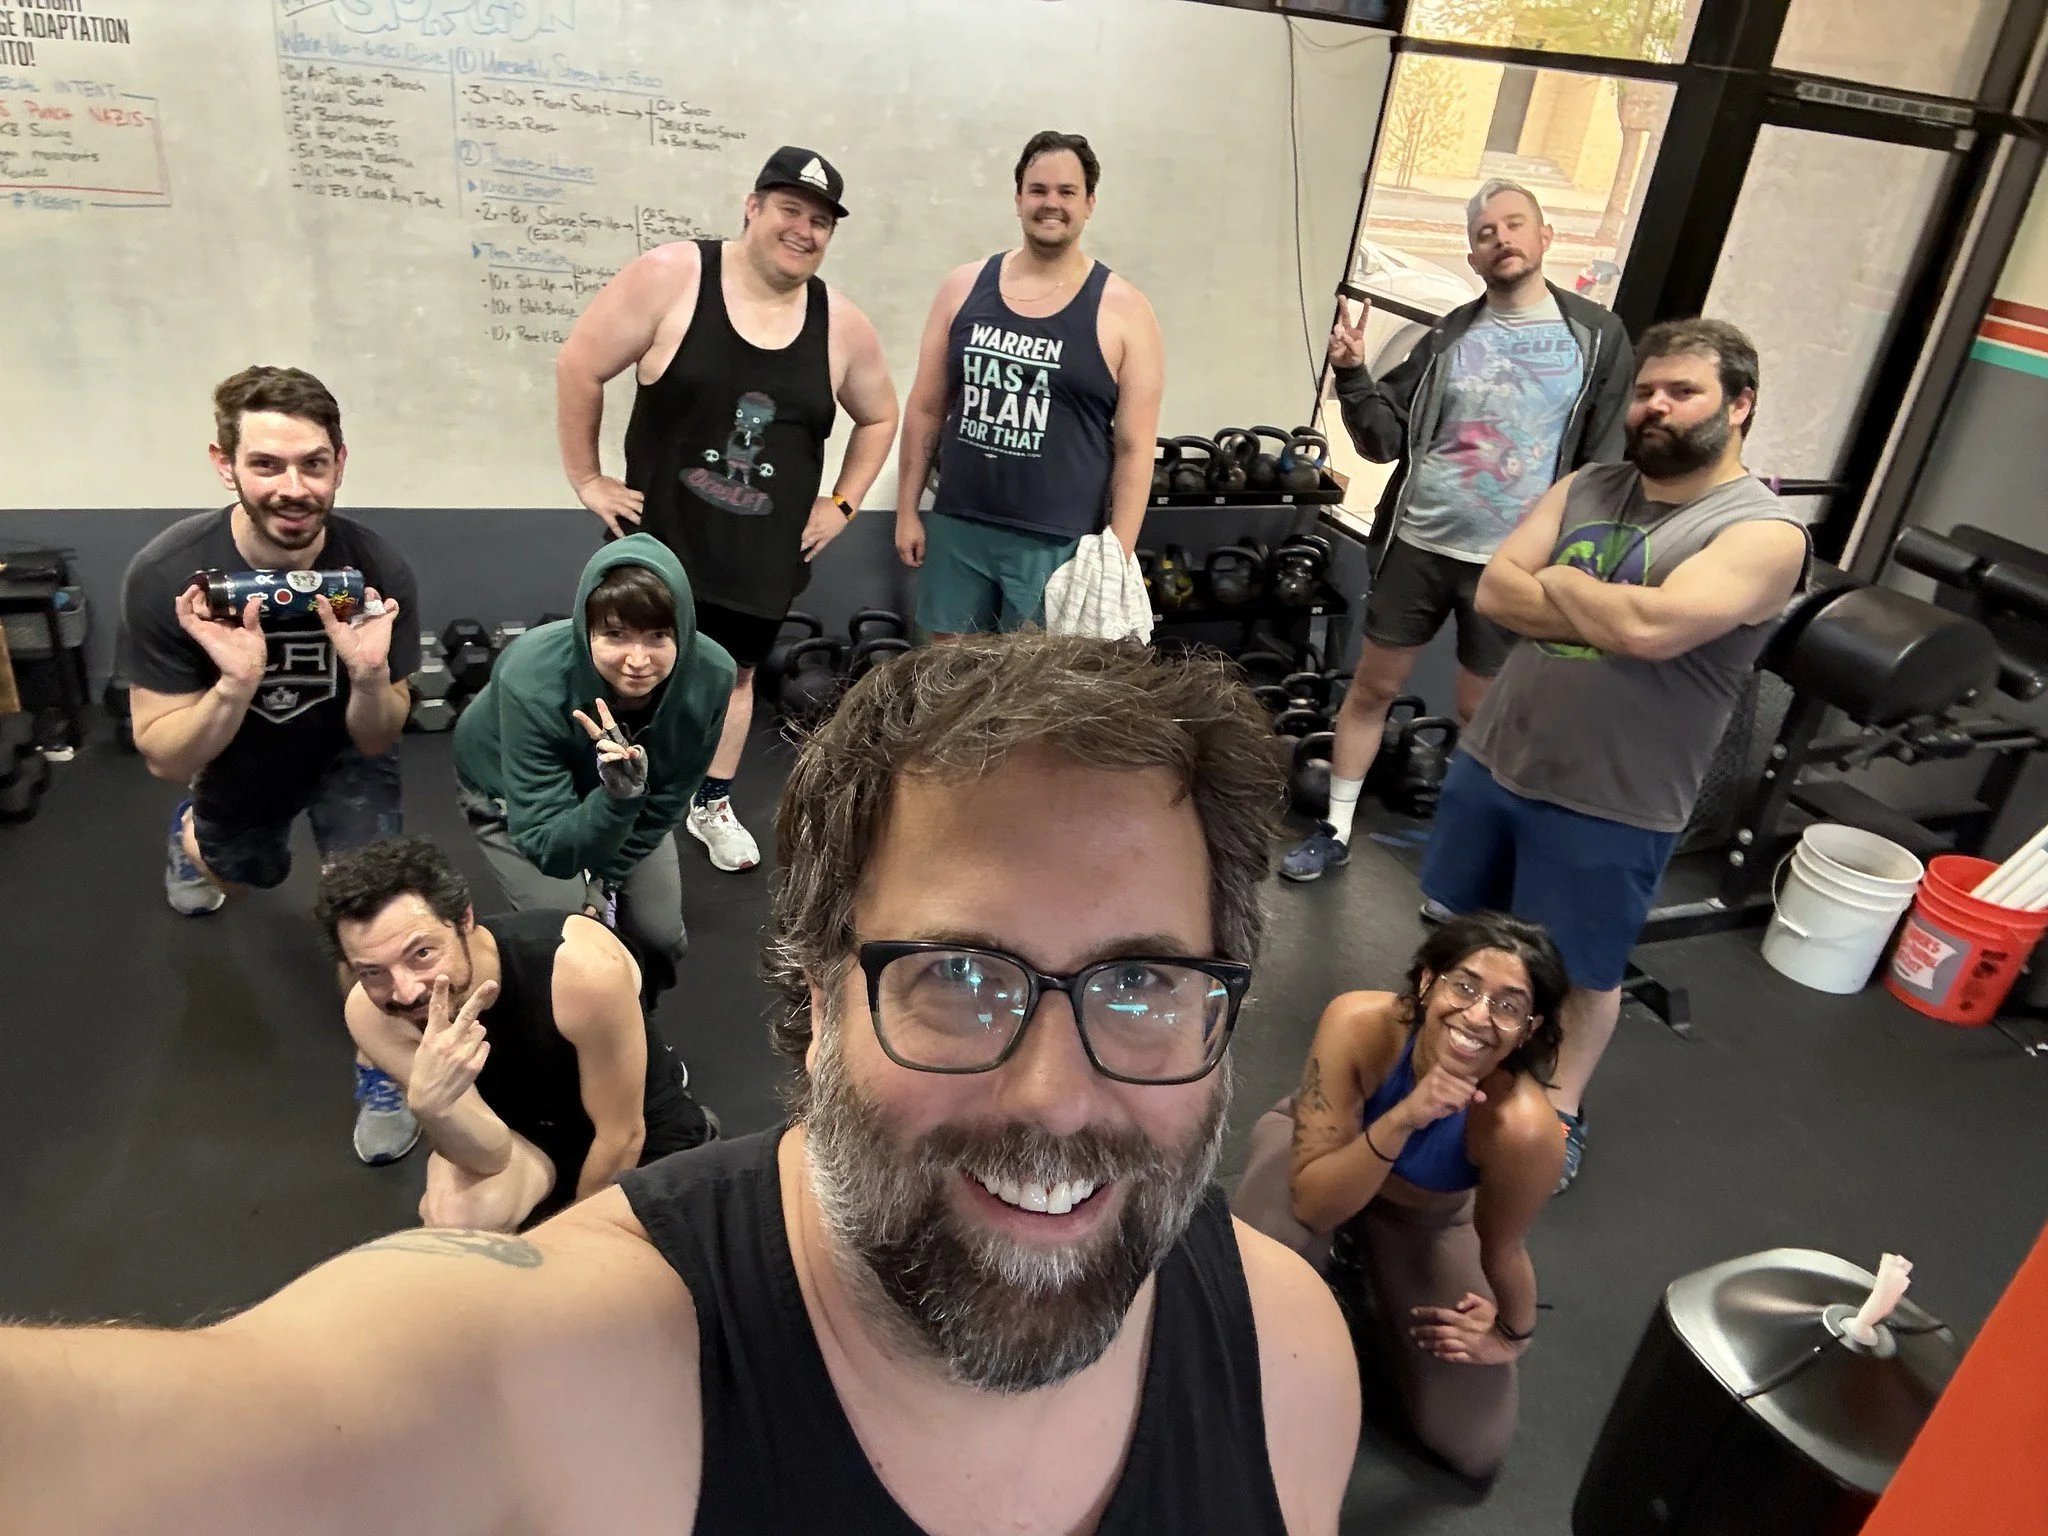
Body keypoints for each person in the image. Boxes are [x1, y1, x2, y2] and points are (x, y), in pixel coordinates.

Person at [0, 634, 1360, 1535]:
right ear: (816, 1004)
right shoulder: (566, 1373)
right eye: (957, 974)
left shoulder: (1289, 1355)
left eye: (1142, 983)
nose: (1056, 1098)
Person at [1429, 318, 1810, 1189]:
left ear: (1740, 405)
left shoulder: (1763, 533)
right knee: (1464, 938)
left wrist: (1563, 581)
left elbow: (1652, 631)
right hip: (1499, 758)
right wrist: (1608, 606)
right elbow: (1496, 592)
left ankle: (1557, 1116)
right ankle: (1445, 1076)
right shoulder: (1589, 484)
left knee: (1580, 976)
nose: (1656, 407)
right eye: (1645, 391)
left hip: (1614, 798)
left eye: (1683, 392)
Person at [556, 145, 900, 876]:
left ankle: (709, 803)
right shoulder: (673, 276)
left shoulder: (840, 323)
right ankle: (602, 805)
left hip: (761, 557)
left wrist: (842, 504)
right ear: (753, 207)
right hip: (661, 541)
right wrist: (587, 477)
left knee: (735, 676)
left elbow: (879, 416)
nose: (803, 230)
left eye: (820, 221)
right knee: (624, 670)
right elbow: (580, 364)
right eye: (789, 210)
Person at [1285, 179, 1634, 882]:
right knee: (1371, 690)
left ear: (1544, 238)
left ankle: (1467, 853)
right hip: (1419, 544)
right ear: (1473, 256)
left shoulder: (1596, 337)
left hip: (1510, 564)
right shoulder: (1450, 336)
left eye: (1515, 225)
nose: (1501, 239)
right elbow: (1383, 440)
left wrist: (1578, 559)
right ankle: (1336, 828)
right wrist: (1352, 374)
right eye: (1485, 233)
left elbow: (1603, 462)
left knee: (1483, 713)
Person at [119, 364, 423, 1167]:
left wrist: (368, 675)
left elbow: (377, 737)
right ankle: (194, 838)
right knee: (244, 872)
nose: (294, 488)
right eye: (267, 464)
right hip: (234, 751)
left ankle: (385, 1068)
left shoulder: (377, 570)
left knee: (375, 910)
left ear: (339, 463)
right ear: (225, 465)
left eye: (313, 464)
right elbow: (162, 754)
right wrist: (235, 683)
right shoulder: (169, 576)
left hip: (342, 753)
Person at [1232, 913, 1568, 1482]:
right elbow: (1314, 1204)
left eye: (1508, 1006)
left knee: (1472, 1442)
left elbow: (1505, 1249)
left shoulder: (1524, 1130)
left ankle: (1367, 1270)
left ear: (1527, 1030)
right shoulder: (1358, 1023)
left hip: (1424, 1216)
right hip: (1317, 1167)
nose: (1478, 1016)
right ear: (1428, 982)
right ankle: (1327, 1264)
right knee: (1235, 1329)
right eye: (1465, 987)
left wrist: (1512, 1334)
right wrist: (1407, 1116)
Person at [317, 836, 715, 1233]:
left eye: (421, 954)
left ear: (464, 920)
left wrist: (569, 1244)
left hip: (630, 1130)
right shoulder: (371, 1015)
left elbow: (622, 1134)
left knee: (648, 1252)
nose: (406, 993)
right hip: (522, 1133)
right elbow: (488, 1155)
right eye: (373, 971)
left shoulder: (580, 971)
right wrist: (433, 1108)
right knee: (452, 1219)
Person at [895, 130, 1163, 635]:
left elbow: (1135, 447)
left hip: (1059, 545)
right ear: (1018, 198)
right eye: (1038, 190)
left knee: (1036, 685)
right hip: (959, 527)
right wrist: (907, 510)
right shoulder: (962, 287)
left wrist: (1117, 556)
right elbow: (927, 408)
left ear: (1090, 203)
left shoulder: (1126, 310)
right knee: (948, 675)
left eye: (1067, 192)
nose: (1051, 203)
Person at [452, 535, 733, 1005]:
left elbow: (669, 796)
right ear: (587, 631)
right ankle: (563, 1032)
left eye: (658, 636)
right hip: (509, 790)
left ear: (682, 631)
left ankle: (637, 1017)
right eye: (616, 635)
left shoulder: (711, 676)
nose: (638, 661)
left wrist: (606, 880)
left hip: (629, 792)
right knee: (566, 939)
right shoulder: (532, 677)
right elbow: (548, 846)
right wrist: (616, 803)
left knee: (660, 936)